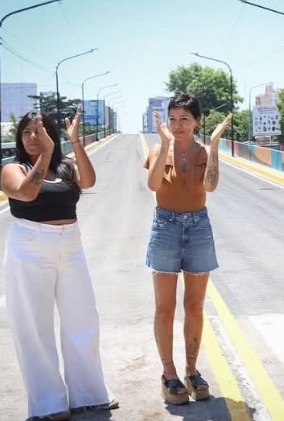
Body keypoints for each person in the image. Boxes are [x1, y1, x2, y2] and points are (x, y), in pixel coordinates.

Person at [1, 108, 118, 421]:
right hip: (30, 246)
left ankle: (90, 396)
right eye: (26, 132)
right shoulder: (14, 168)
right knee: (34, 326)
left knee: (83, 318)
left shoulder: (65, 166)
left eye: (39, 132)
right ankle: (49, 405)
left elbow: (89, 180)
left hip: (71, 244)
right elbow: (27, 192)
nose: (32, 137)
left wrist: (75, 142)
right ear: (20, 138)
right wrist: (46, 153)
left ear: (51, 134)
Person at [144, 94, 231, 405]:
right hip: (165, 226)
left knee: (194, 306)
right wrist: (166, 144)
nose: (177, 125)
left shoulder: (203, 152)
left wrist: (215, 145)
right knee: (165, 308)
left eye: (184, 119)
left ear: (196, 121)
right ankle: (169, 375)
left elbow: (210, 186)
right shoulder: (159, 149)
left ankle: (192, 370)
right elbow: (153, 185)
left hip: (198, 227)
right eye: (173, 119)